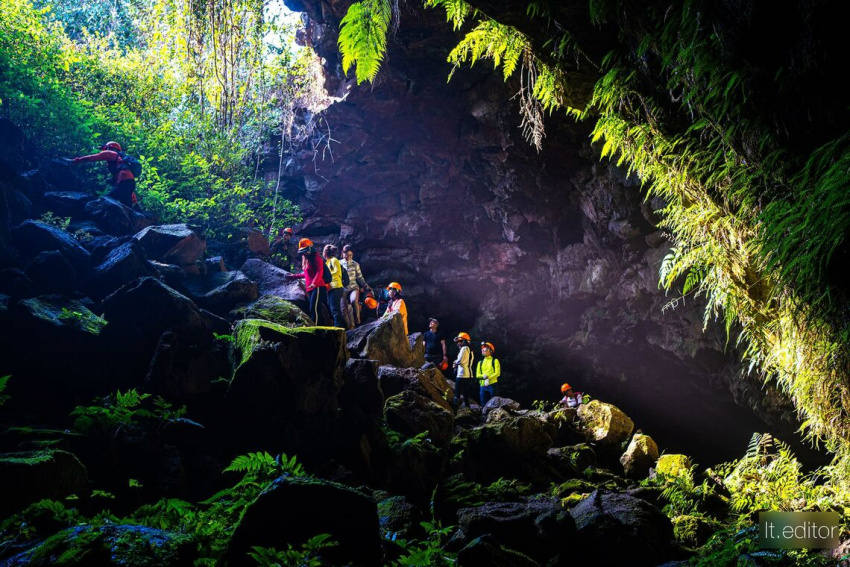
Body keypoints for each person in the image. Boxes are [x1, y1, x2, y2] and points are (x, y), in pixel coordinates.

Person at [70, 141, 138, 207]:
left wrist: (76, 161)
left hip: (124, 183)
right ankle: (139, 212)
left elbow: (92, 157)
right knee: (127, 206)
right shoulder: (121, 160)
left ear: (108, 148)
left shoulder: (111, 153)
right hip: (129, 183)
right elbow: (128, 183)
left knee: (106, 200)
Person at [287, 238, 328, 325]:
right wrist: (293, 276)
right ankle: (320, 329)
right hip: (310, 288)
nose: (304, 253)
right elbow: (306, 274)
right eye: (302, 252)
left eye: (305, 251)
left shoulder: (316, 257)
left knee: (314, 308)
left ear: (310, 249)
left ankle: (316, 330)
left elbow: (319, 270)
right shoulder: (305, 259)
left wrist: (314, 283)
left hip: (318, 287)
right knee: (313, 309)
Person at [341, 245, 371, 329]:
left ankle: (358, 321)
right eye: (347, 255)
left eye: (350, 255)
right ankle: (349, 328)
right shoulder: (339, 263)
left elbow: (360, 277)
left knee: (353, 300)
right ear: (343, 254)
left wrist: (366, 286)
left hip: (353, 287)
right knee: (344, 310)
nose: (348, 257)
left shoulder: (355, 264)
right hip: (343, 289)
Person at [323, 244, 346, 328]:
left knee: (335, 309)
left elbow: (337, 272)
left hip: (336, 287)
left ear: (325, 252)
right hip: (331, 288)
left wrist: (325, 275)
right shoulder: (327, 262)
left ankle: (338, 328)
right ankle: (344, 327)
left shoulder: (334, 260)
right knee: (334, 308)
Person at [452, 332, 475, 408]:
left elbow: (460, 361)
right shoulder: (470, 350)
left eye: (459, 341)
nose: (458, 343)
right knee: (465, 393)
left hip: (462, 374)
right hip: (468, 374)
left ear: (464, 341)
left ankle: (455, 409)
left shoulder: (464, 348)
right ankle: (467, 408)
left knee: (457, 392)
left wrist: (455, 362)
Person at [476, 342, 501, 406]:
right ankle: (484, 415)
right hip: (482, 385)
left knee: (494, 404)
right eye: (482, 349)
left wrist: (488, 378)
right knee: (483, 404)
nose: (483, 350)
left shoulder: (495, 361)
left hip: (492, 385)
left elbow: (497, 373)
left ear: (490, 351)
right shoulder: (480, 363)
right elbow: (477, 375)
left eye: (485, 349)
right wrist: (484, 377)